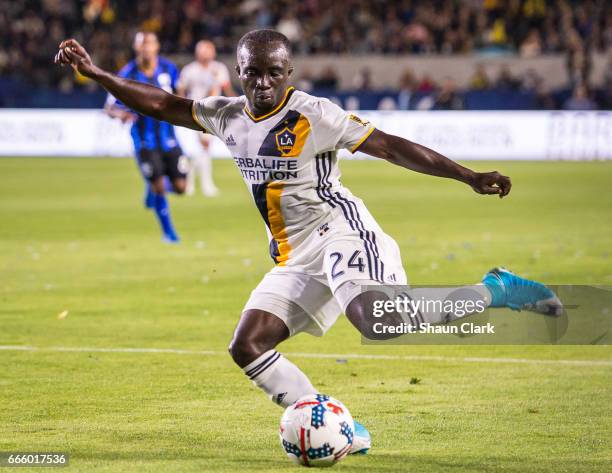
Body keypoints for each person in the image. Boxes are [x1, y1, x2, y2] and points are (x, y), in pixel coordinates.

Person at [55, 29, 562, 455]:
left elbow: (389, 146)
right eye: (253, 72)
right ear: (239, 70)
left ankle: (495, 289)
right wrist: (98, 74)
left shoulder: (313, 114)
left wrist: (468, 176)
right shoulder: (227, 115)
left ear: (289, 72)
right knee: (248, 345)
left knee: (378, 321)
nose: (263, 82)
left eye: (274, 72)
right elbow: (165, 104)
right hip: (295, 254)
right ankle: (337, 425)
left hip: (339, 229)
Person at [104, 31, 186, 243]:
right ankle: (169, 233)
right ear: (136, 47)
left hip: (169, 137)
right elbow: (109, 107)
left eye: (150, 44)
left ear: (157, 47)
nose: (146, 48)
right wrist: (121, 114)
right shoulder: (127, 73)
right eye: (142, 44)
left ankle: (152, 189)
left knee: (181, 188)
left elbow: (181, 95)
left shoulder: (169, 69)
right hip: (144, 141)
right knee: (159, 185)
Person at [177, 40, 235, 197]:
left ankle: (194, 181)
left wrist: (237, 107)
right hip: (194, 112)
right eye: (203, 50)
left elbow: (226, 89)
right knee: (203, 147)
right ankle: (203, 184)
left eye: (209, 50)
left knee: (204, 148)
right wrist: (181, 112)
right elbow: (181, 90)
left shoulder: (219, 68)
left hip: (213, 113)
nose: (206, 54)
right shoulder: (190, 70)